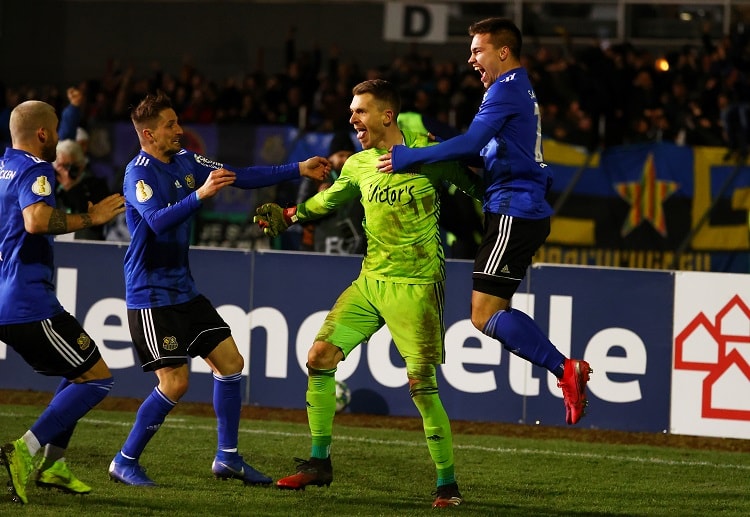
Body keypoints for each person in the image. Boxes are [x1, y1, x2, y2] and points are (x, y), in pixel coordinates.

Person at [254, 79, 484, 508]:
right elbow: (329, 202)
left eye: (360, 111)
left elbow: (480, 190)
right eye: (352, 112)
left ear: (386, 115)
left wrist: (518, 208)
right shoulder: (358, 165)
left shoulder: (427, 154)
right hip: (370, 281)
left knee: (421, 386)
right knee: (319, 357)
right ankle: (318, 463)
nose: (353, 119)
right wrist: (291, 214)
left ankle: (447, 485)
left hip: (416, 288)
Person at [108, 91, 330, 487]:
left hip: (183, 289)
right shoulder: (137, 173)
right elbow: (157, 221)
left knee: (230, 363)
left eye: (177, 122)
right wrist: (201, 195)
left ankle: (227, 459)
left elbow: (240, 175)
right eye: (170, 125)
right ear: (148, 134)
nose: (179, 130)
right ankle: (125, 460)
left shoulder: (187, 160)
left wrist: (299, 168)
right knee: (175, 383)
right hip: (151, 294)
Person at [378, 17, 593, 425]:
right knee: (494, 310)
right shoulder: (515, 90)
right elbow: (485, 152)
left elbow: (474, 143)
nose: (471, 59)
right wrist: (442, 152)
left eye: (478, 50)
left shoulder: (504, 90)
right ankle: (565, 370)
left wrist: (411, 157)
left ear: (503, 51)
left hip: (514, 210)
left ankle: (566, 370)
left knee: (484, 314)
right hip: (517, 209)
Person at [0, 100, 125, 504]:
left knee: (78, 371)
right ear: (42, 134)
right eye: (55, 129)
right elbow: (36, 221)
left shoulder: (4, 167)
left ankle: (54, 465)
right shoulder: (36, 169)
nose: (58, 137)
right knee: (99, 377)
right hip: (28, 301)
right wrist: (92, 219)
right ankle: (25, 450)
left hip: (8, 296)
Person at [295, 130, 364, 254]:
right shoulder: (316, 176)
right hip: (322, 247)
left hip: (356, 247)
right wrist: (318, 199)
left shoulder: (361, 177)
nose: (346, 160)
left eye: (349, 156)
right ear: (331, 157)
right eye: (341, 155)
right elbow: (299, 215)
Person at [53, 139, 112, 240]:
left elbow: (95, 222)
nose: (65, 172)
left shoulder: (96, 186)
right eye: (60, 166)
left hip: (86, 246)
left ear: (81, 165)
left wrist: (71, 187)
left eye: (69, 166)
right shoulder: (51, 186)